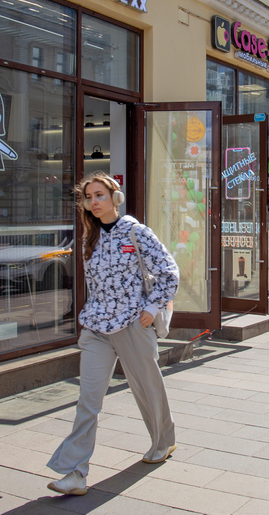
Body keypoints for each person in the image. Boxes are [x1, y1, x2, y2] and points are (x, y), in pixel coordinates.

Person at [47, 173, 179, 496]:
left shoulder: (135, 232)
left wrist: (152, 307)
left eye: (100, 195)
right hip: (97, 329)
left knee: (147, 388)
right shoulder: (88, 238)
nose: (93, 202)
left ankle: (163, 441)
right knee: (88, 401)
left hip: (134, 324)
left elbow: (169, 271)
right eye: (88, 197)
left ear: (115, 197)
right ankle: (76, 473)